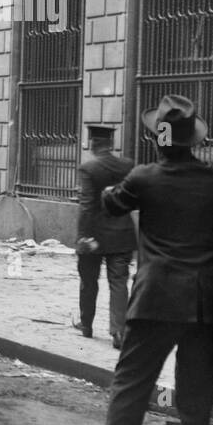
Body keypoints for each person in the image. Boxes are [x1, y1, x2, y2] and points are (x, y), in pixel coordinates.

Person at [81, 95, 213, 425]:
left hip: (156, 297)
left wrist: (113, 187)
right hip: (207, 301)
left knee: (131, 386)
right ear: (193, 139)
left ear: (157, 139)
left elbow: (112, 203)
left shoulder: (145, 177)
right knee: (197, 397)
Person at [75, 126, 136, 349]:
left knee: (88, 281)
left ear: (92, 144)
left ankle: (86, 325)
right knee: (119, 283)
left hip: (94, 236)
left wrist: (83, 237)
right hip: (122, 234)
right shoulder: (127, 165)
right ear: (111, 143)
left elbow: (87, 206)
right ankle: (119, 332)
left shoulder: (88, 168)